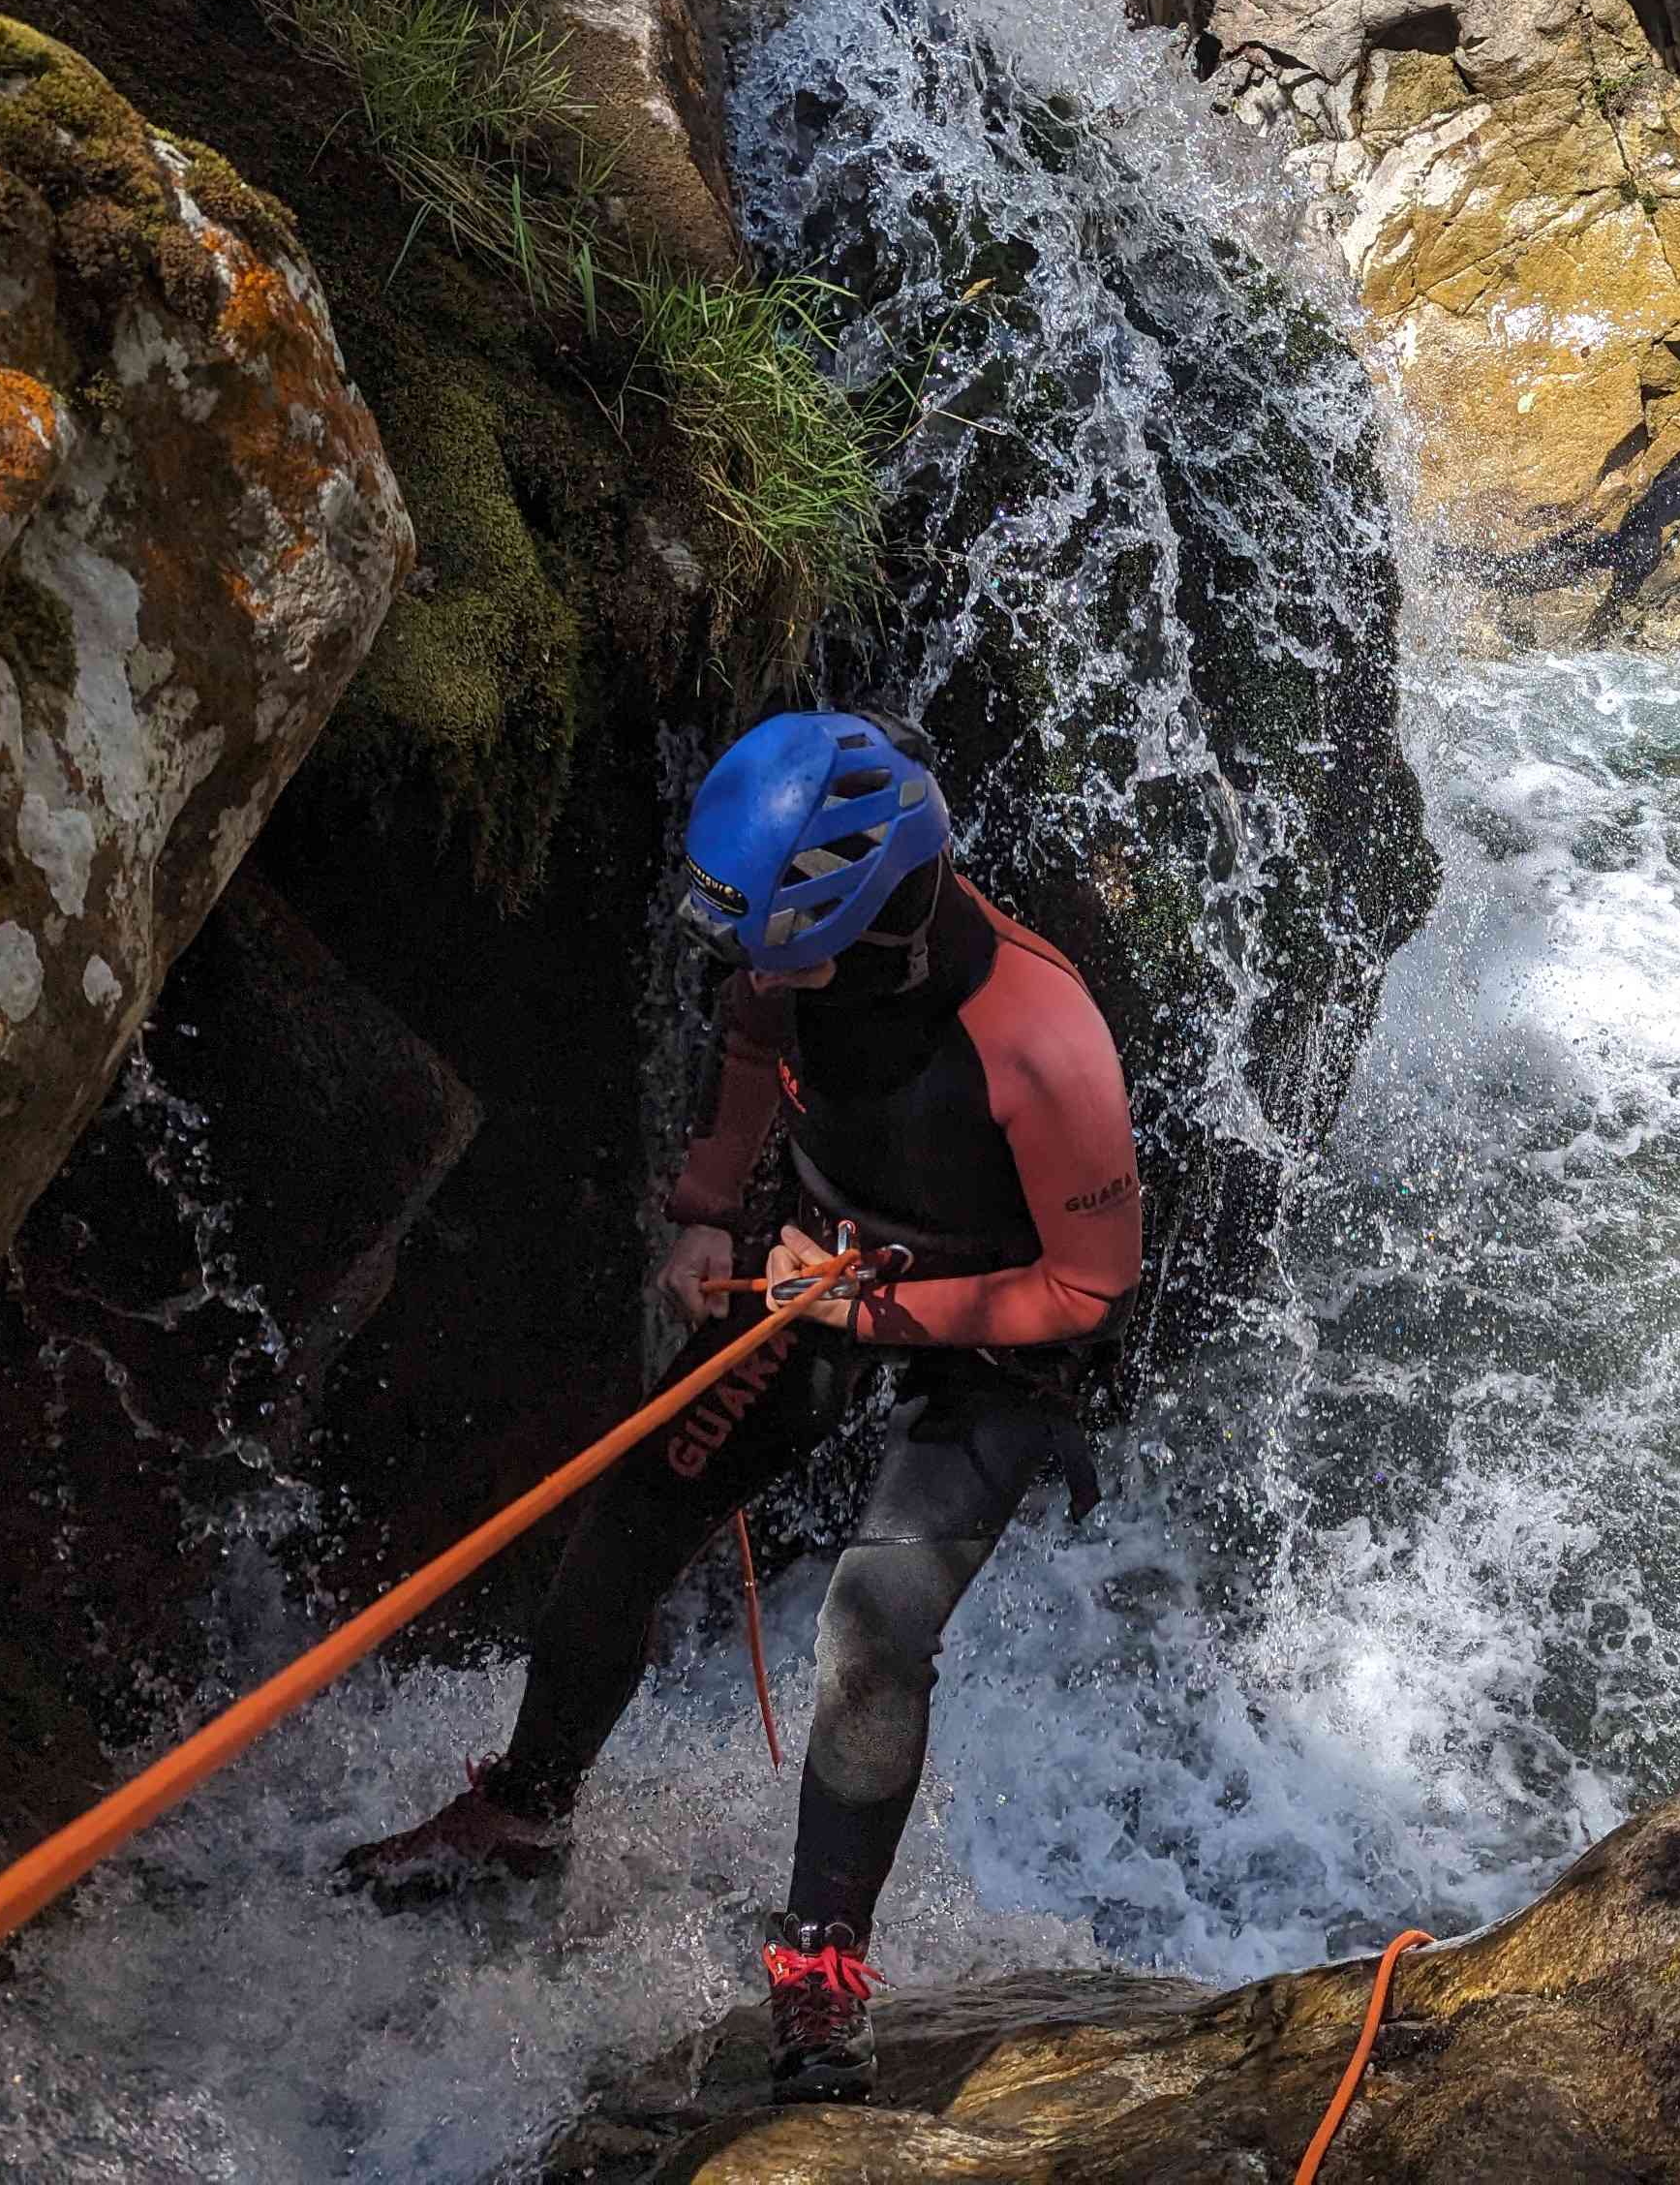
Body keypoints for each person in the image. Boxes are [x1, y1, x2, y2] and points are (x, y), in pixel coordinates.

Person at [337, 711, 1140, 2101]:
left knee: (872, 1629)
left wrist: (871, 1314)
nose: (766, 976)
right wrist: (714, 1210)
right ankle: (525, 1811)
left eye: (792, 951)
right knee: (634, 1511)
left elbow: (1085, 1289)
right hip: (822, 1264)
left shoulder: (1042, 1039)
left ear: (881, 911)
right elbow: (756, 1056)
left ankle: (820, 1970)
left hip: (991, 1333)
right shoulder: (788, 955)